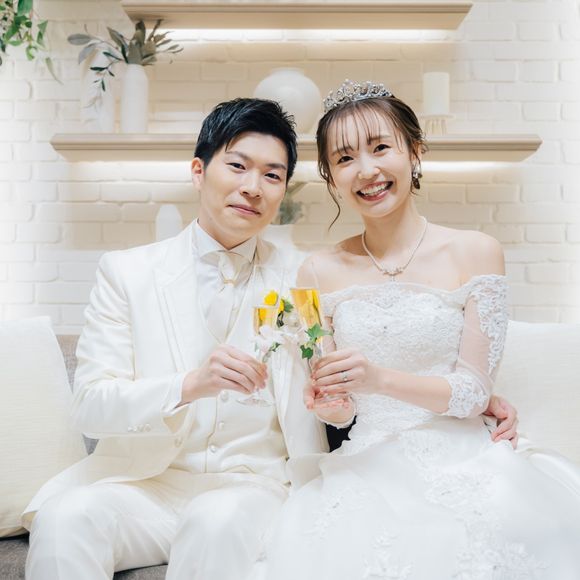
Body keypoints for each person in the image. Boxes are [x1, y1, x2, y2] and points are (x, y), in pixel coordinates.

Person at [22, 96, 517, 580]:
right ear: (198, 171)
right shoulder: (126, 273)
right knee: (66, 518)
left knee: (215, 520)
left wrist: (476, 397)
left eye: (272, 175)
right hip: (145, 486)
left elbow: (344, 378)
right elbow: (90, 406)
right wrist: (189, 385)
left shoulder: (304, 279)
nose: (252, 188)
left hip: (254, 486)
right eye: (237, 166)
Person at [252, 81, 580, 580]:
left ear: (415, 151)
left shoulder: (477, 252)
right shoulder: (313, 273)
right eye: (344, 158)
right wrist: (329, 403)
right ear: (331, 177)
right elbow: (342, 407)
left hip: (463, 455)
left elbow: (473, 393)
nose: (367, 170)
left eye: (381, 147)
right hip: (368, 461)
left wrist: (378, 378)